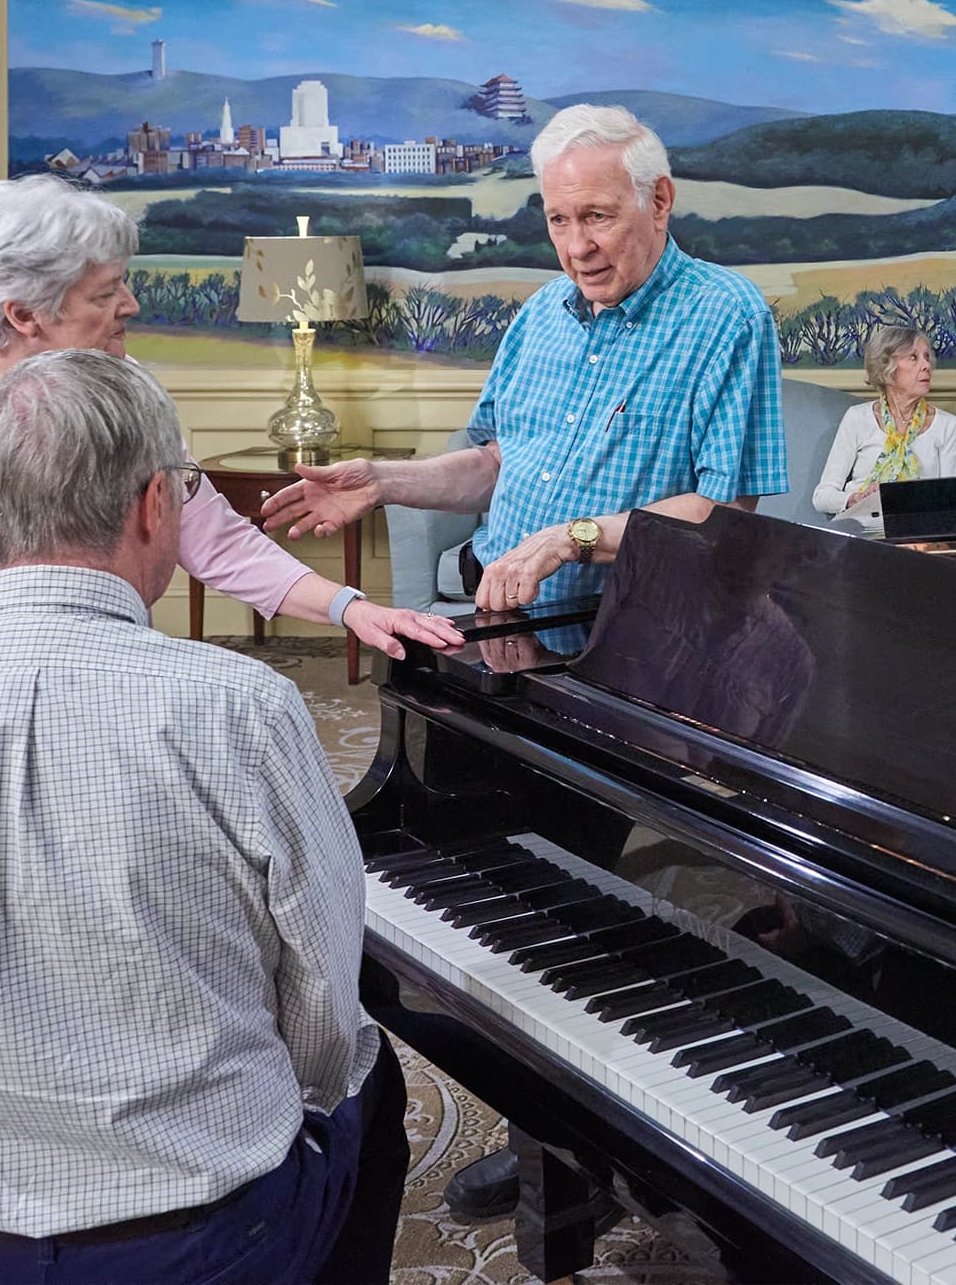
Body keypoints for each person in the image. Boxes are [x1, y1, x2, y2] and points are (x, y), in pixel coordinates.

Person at [261, 102, 788, 1216]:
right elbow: (496, 461)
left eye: (597, 216)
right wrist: (383, 479)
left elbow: (727, 508)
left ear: (660, 201)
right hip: (507, 644)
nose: (577, 244)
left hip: (632, 654)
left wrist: (574, 536)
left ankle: (616, 1146)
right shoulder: (541, 316)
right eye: (557, 219)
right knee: (507, 890)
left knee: (598, 906)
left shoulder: (725, 315)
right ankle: (548, 1129)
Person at [0, 347, 409, 1285]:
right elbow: (323, 1001)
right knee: (376, 1078)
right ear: (155, 504)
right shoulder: (242, 706)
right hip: (198, 1230)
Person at [0, 173, 462, 662]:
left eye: (123, 283)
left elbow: (214, 538)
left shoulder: (126, 390)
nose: (131, 305)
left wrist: (353, 609)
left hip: (110, 676)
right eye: (105, 294)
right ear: (24, 315)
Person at [812, 324, 956, 519]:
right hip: (860, 524)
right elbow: (822, 496)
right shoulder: (858, 418)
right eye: (913, 358)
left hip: (918, 528)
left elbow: (949, 501)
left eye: (927, 357)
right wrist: (856, 499)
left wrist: (900, 497)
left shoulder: (948, 426)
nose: (926, 366)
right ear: (887, 367)